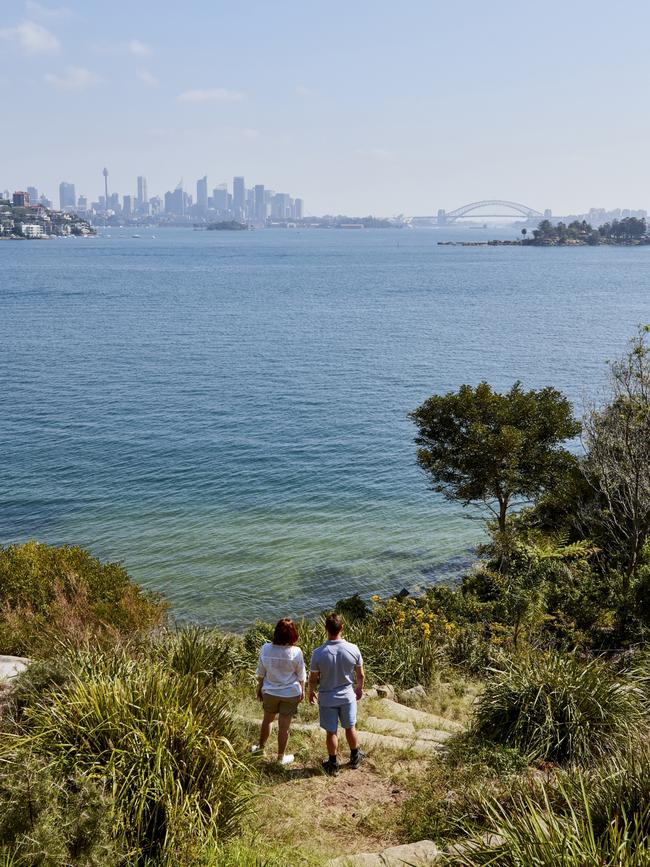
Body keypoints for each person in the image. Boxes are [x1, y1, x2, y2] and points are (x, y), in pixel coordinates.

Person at [309, 612, 365, 776]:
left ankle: (333, 763)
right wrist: (359, 688)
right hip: (347, 696)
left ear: (325, 628)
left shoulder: (318, 653)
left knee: (331, 732)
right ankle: (355, 756)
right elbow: (360, 674)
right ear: (342, 627)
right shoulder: (353, 648)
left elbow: (313, 678)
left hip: (327, 698)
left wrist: (311, 692)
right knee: (350, 727)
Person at [252, 618, 306, 766]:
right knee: (284, 727)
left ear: (276, 632)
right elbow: (301, 675)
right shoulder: (296, 652)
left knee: (267, 720)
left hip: (270, 691)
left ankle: (260, 749)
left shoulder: (266, 648)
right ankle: (280, 758)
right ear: (292, 634)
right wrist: (303, 691)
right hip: (290, 693)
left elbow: (261, 673)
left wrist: (259, 688)